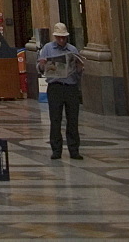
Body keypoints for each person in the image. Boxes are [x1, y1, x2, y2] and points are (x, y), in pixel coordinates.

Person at [38, 22, 84, 160]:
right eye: (59, 38)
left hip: (71, 87)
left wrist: (79, 67)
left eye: (64, 38)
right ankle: (56, 149)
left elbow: (78, 73)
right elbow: (40, 69)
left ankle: (74, 149)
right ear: (55, 37)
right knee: (55, 119)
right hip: (55, 87)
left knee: (73, 119)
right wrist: (42, 65)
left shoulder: (72, 50)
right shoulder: (47, 48)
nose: (62, 40)